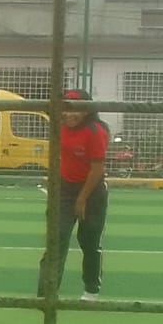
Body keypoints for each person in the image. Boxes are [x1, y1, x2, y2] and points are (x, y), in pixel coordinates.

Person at [36, 90, 109, 302]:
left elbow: (97, 169)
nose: (69, 114)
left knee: (90, 242)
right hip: (65, 189)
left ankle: (91, 289)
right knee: (56, 240)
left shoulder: (95, 131)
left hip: (92, 191)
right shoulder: (60, 127)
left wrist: (82, 199)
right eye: (66, 109)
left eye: (75, 109)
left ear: (87, 111)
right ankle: (46, 294)